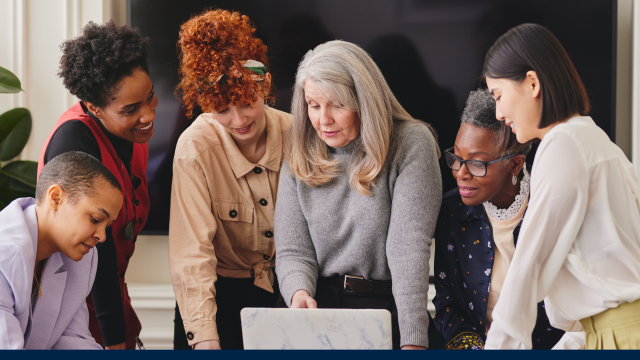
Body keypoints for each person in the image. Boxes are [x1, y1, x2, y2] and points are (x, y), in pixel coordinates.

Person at [274, 40, 442, 350]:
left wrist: (413, 342)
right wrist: (299, 294)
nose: (324, 119)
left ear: (364, 100)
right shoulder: (300, 150)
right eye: (313, 104)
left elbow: (409, 250)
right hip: (319, 313)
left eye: (337, 104)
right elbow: (293, 251)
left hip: (386, 310)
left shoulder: (411, 143)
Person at [482, 23, 640, 349]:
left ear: (532, 83)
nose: (498, 112)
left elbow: (527, 268)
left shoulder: (562, 144)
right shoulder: (596, 141)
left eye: (499, 96)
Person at [169, 9, 291, 350]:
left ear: (264, 84)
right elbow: (191, 253)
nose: (238, 120)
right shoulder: (194, 150)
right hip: (217, 298)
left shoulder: (298, 136)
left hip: (287, 293)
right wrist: (205, 336)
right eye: (221, 110)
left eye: (246, 102)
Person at [37, 21, 156, 349]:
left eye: (150, 97)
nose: (148, 115)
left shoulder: (135, 134)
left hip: (113, 303)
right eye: (131, 109)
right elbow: (97, 255)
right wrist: (115, 338)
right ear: (94, 108)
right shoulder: (73, 140)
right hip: (74, 316)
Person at [432, 89, 580, 350]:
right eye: (456, 158)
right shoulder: (451, 212)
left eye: (477, 163)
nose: (460, 174)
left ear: (515, 164)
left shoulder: (554, 206)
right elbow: (448, 302)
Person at [0, 152, 122, 349]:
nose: (102, 236)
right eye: (96, 219)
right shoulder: (4, 251)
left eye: (107, 226)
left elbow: (72, 338)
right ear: (55, 198)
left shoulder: (84, 260)